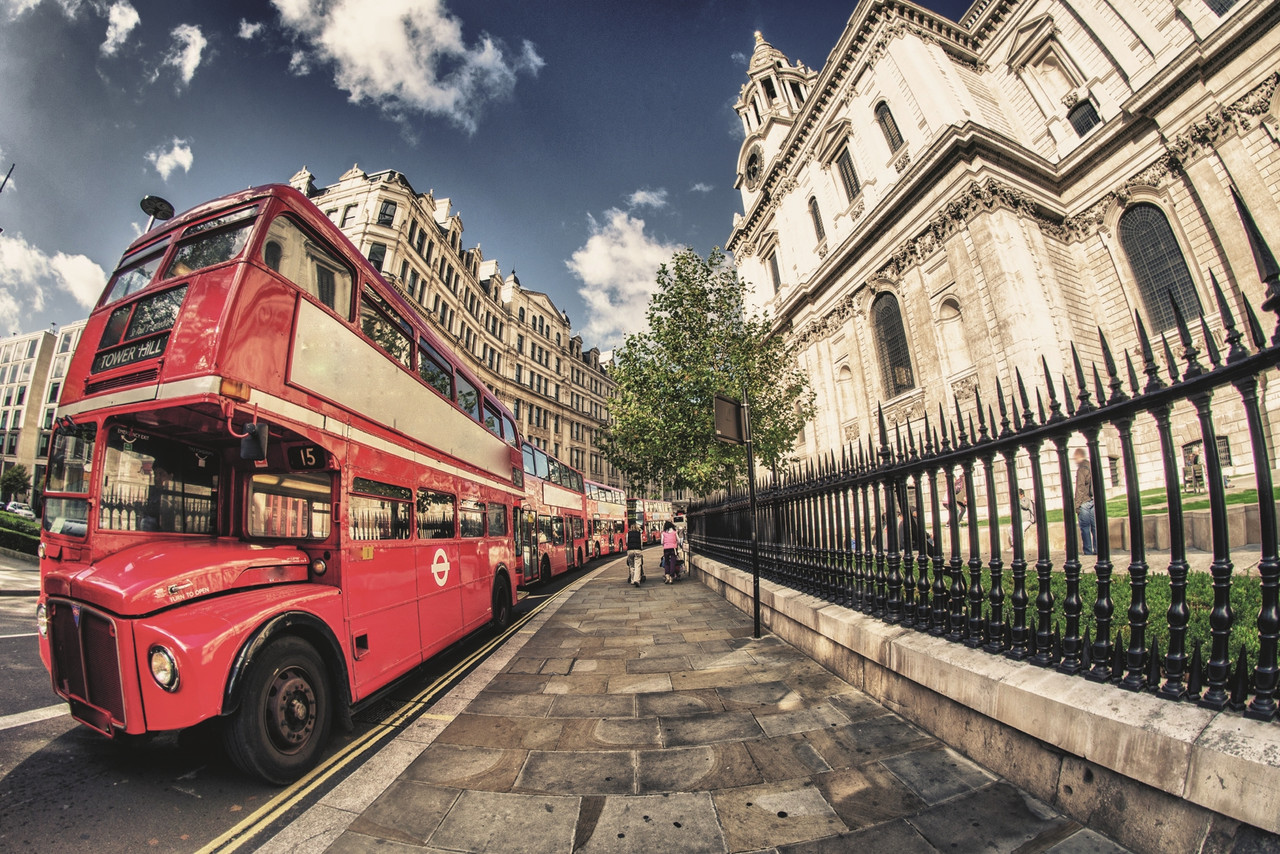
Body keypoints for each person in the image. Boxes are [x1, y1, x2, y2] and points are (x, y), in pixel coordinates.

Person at [1074, 448, 1096, 555]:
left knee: (1085, 528)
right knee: (1095, 527)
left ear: (1079, 456)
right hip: (1093, 500)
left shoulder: (1081, 469)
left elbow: (1080, 488)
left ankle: (1088, 552)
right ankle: (1097, 549)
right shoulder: (1091, 466)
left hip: (1084, 502)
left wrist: (1077, 506)